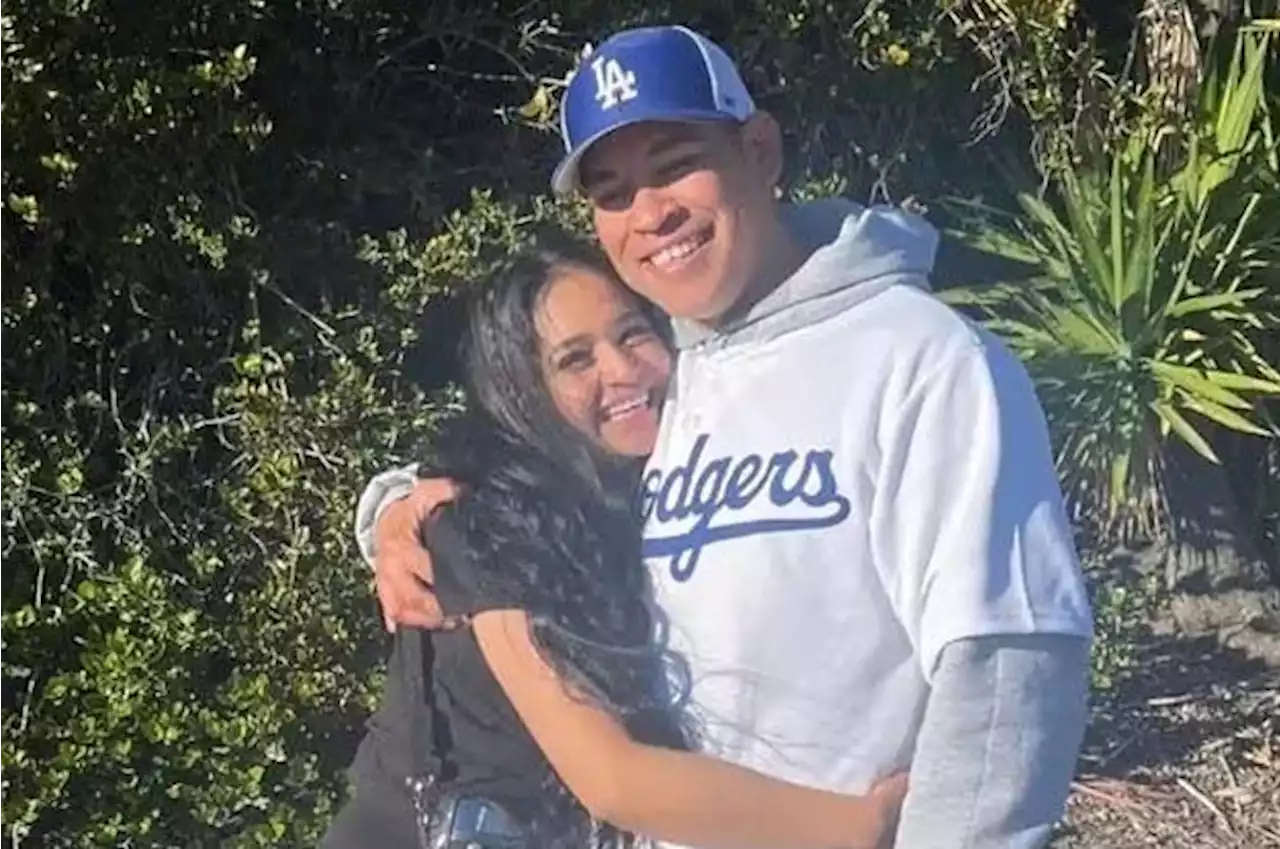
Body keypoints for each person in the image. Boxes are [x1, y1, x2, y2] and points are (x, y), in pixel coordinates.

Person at [358, 24, 1095, 849]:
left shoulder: (920, 358)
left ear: (761, 151)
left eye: (675, 163)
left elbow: (1004, 662)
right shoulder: (670, 366)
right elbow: (528, 465)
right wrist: (396, 508)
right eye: (612, 191)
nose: (651, 212)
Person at [321, 235, 907, 849]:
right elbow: (610, 778)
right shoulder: (482, 522)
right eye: (575, 360)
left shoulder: (647, 482)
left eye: (631, 334)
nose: (622, 372)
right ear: (522, 390)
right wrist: (861, 827)